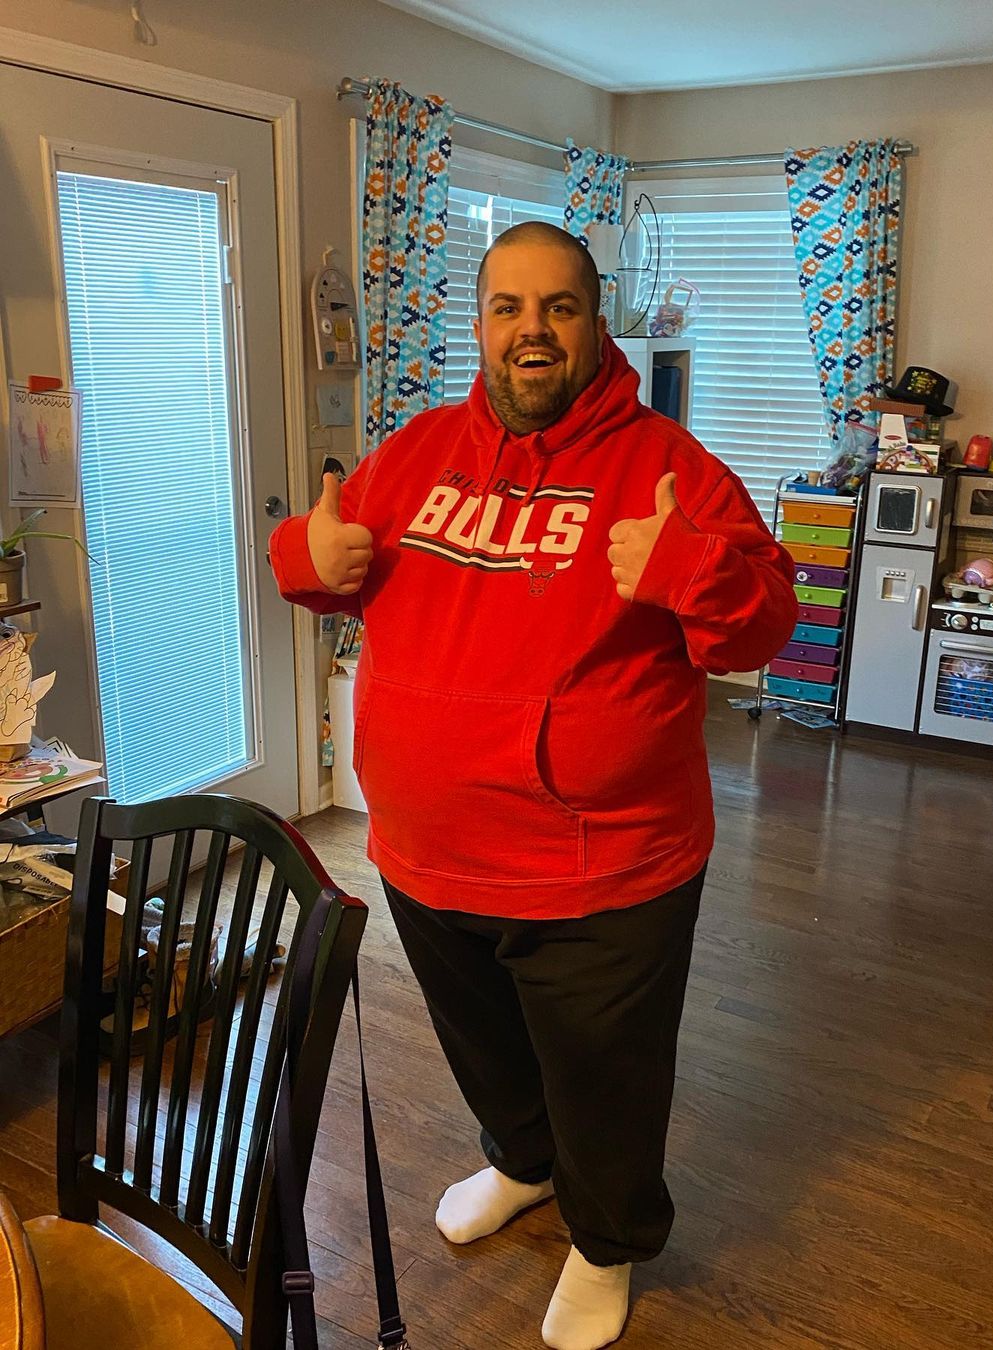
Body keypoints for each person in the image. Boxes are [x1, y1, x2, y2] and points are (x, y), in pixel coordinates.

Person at [270, 221, 796, 1350]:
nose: (533, 331)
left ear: (596, 322)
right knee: (485, 1047)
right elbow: (317, 553)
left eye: (558, 307)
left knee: (605, 1074)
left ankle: (606, 1241)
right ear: (479, 324)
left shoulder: (670, 468)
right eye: (509, 307)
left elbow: (764, 624)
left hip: (604, 865)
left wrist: (686, 567)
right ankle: (521, 1161)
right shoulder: (415, 453)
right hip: (425, 848)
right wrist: (304, 562)